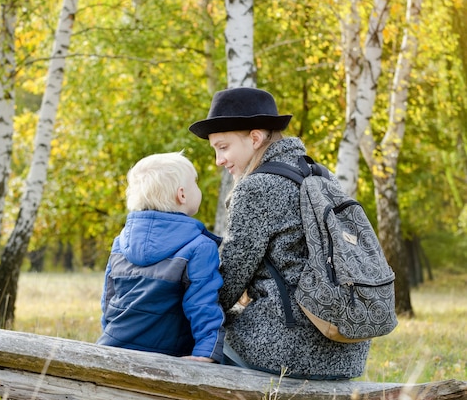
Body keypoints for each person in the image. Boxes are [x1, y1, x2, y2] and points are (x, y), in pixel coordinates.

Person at [188, 87, 370, 379]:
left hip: (290, 348)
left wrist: (189, 313)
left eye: (223, 147)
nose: (218, 161)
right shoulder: (320, 174)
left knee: (195, 333)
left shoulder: (256, 187)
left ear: (255, 138)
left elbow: (230, 278)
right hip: (346, 345)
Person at [97, 151, 226, 363]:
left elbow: (109, 300)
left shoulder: (120, 242)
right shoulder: (199, 247)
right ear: (182, 195)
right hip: (167, 357)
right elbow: (203, 306)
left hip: (112, 348)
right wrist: (206, 353)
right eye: (195, 183)